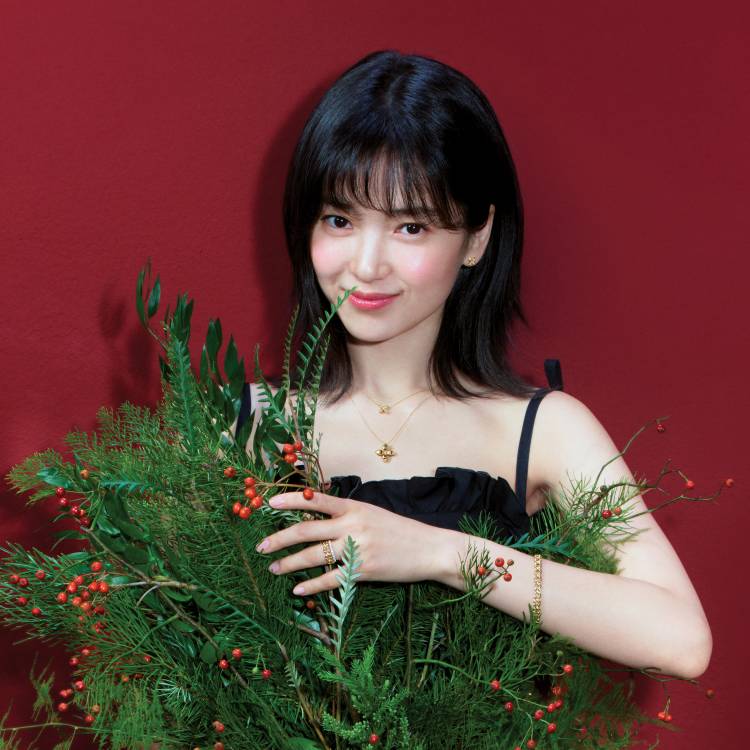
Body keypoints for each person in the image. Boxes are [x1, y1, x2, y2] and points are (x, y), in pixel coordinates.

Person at [244, 49, 712, 681]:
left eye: (410, 227)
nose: (366, 264)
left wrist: (443, 553)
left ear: (477, 237)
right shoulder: (244, 424)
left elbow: (681, 641)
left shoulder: (541, 429)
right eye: (339, 220)